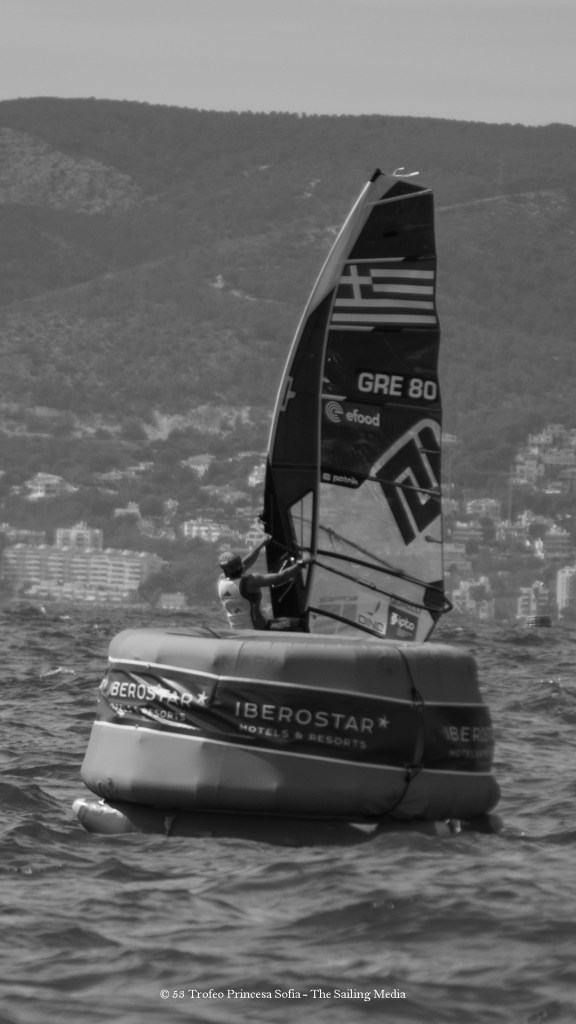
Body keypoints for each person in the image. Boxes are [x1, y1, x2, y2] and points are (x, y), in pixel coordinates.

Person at [217, 537, 311, 631]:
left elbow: (245, 564)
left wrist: (261, 544)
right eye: (235, 565)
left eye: (238, 563)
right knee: (301, 624)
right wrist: (302, 562)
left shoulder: (221, 580)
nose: (238, 567)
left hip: (237, 630)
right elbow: (281, 577)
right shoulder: (251, 581)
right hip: (260, 628)